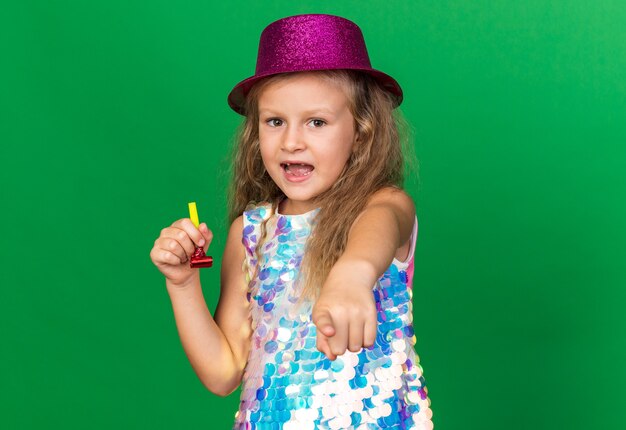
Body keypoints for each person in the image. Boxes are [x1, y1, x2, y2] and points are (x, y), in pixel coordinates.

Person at [150, 13, 434, 429]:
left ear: (361, 131)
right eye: (275, 121)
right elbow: (223, 371)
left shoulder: (383, 205)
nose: (291, 141)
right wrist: (182, 284)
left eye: (316, 122)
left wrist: (352, 275)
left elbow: (379, 228)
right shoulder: (251, 232)